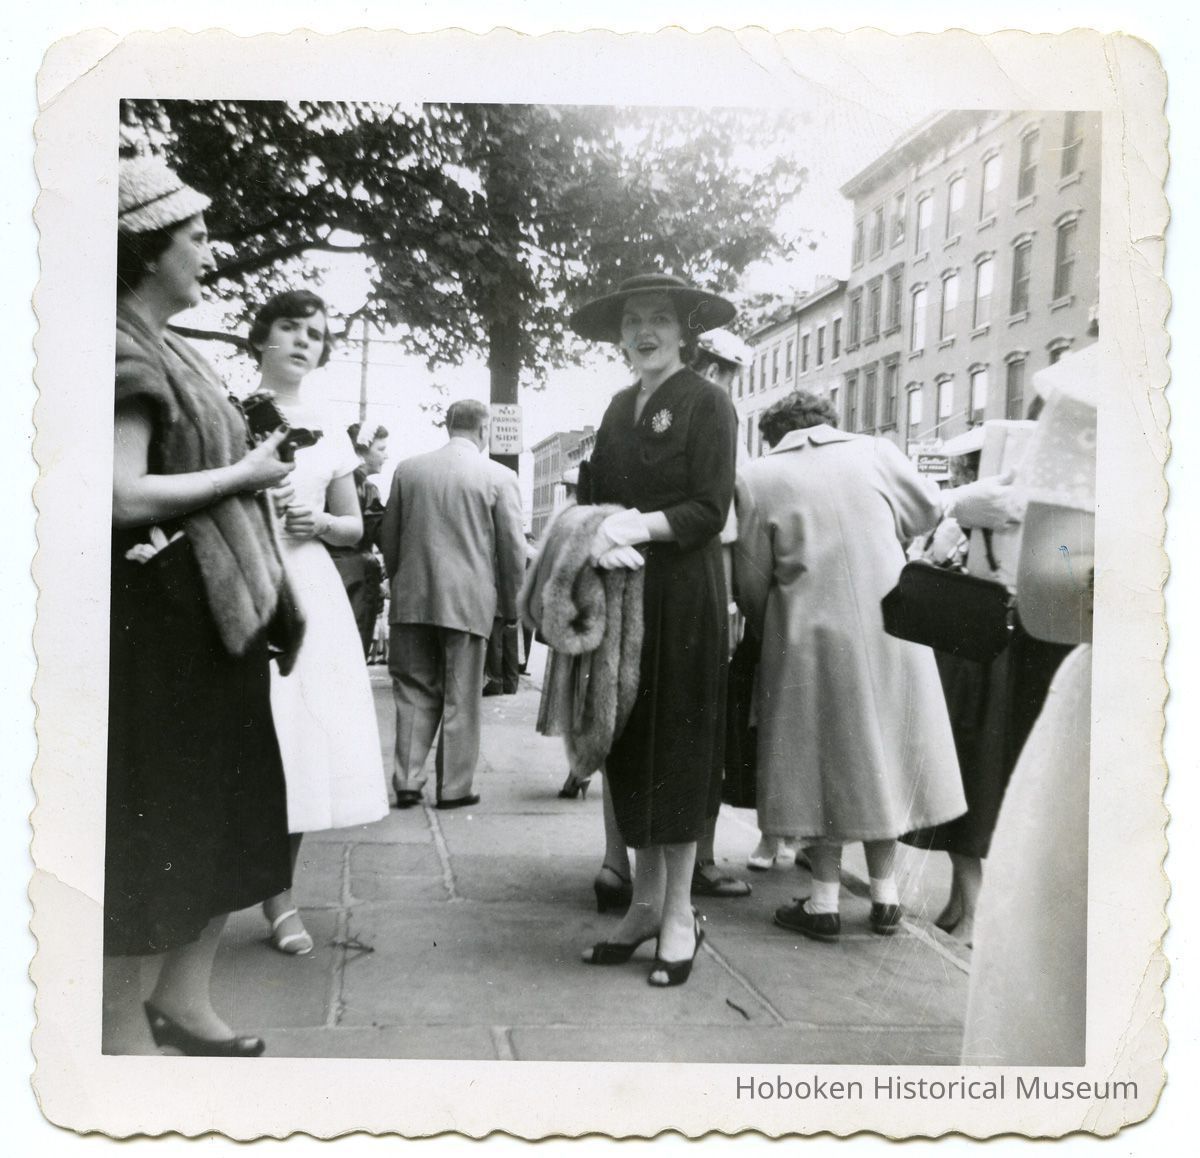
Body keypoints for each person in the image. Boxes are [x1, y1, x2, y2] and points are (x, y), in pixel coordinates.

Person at [106, 157, 300, 1055]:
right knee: (164, 825)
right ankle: (118, 1033)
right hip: (166, 631)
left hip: (220, 624)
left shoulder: (178, 346)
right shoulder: (123, 348)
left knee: (234, 813)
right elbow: (120, 494)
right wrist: (249, 472)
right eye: (195, 238)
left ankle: (184, 999)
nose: (209, 253)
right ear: (148, 249)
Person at [733, 390, 966, 942]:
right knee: (879, 758)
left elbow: (749, 582)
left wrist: (775, 625)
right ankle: (885, 897)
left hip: (809, 636)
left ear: (775, 435)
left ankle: (824, 901)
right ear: (829, 423)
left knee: (823, 762)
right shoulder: (877, 453)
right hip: (892, 628)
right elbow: (929, 511)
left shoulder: (758, 477)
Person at [571, 272, 739, 987]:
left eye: (660, 318)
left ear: (684, 330)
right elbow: (597, 491)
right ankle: (642, 909)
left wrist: (638, 524)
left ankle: (677, 919)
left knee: (676, 747)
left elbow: (709, 508)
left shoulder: (708, 403)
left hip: (682, 600)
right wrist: (595, 529)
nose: (645, 330)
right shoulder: (616, 408)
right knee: (631, 746)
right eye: (633, 319)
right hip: (623, 592)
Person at [249, 290, 390, 956]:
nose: (304, 340)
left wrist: (321, 523)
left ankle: (280, 896)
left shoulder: (329, 425)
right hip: (246, 577)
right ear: (262, 337)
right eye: (290, 327)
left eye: (316, 332)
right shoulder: (229, 408)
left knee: (298, 739)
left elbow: (354, 524)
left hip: (306, 585)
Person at [380, 400, 527, 810]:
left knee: (411, 688)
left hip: (412, 597)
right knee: (462, 695)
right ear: (483, 430)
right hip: (468, 602)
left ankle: (407, 780)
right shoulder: (499, 476)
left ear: (449, 426)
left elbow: (388, 536)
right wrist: (512, 606)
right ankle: (454, 787)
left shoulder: (408, 470)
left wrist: (401, 578)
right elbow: (511, 550)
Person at [327, 421, 388, 659]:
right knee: (353, 647)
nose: (386, 455)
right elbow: (381, 535)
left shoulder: (332, 482)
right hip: (357, 575)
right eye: (381, 449)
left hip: (328, 568)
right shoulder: (366, 488)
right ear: (361, 451)